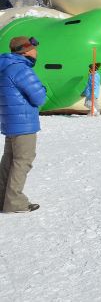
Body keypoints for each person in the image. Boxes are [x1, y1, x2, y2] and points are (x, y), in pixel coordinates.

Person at [0, 36, 46, 213]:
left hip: (10, 121)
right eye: (34, 48)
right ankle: (15, 202)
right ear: (26, 50)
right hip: (23, 123)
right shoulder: (22, 69)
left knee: (9, 161)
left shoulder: (5, 67)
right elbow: (39, 97)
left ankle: (3, 197)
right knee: (22, 161)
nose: (36, 52)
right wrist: (43, 88)